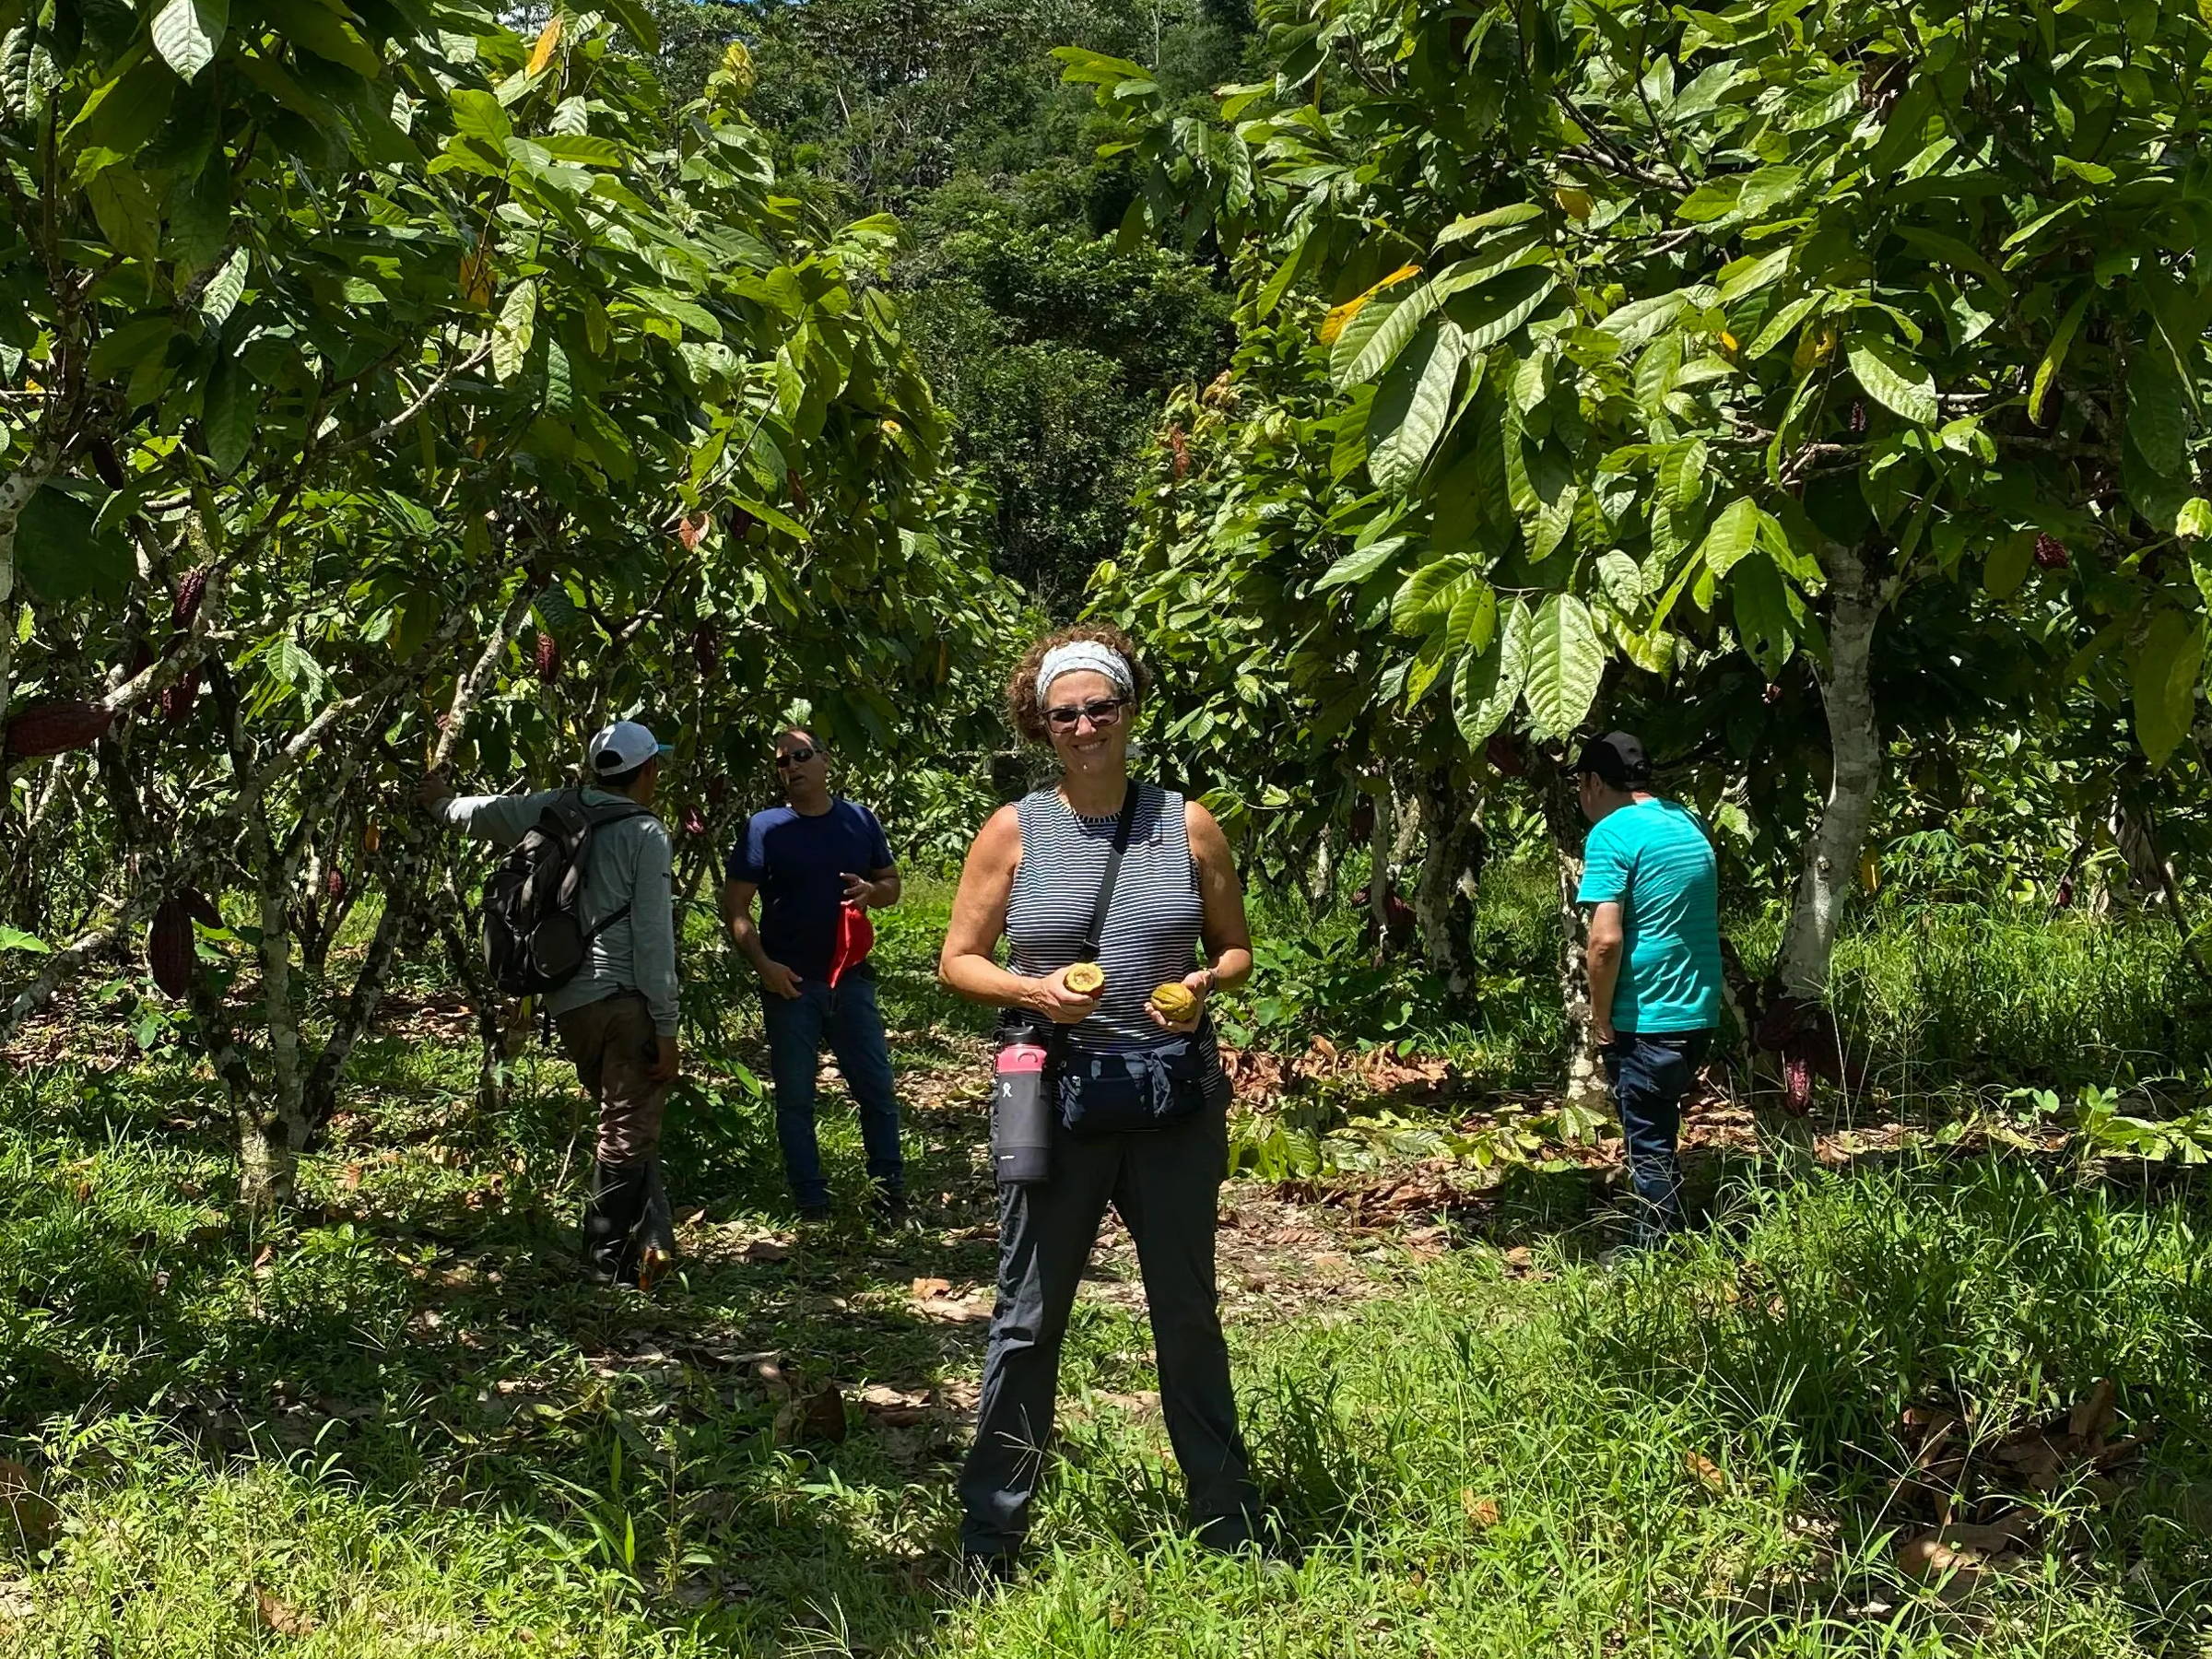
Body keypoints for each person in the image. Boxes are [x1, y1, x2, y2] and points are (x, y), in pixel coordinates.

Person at [938, 623, 1261, 1577]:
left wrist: (1203, 985)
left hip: (1171, 1102)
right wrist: (1034, 993)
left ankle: (1226, 1521)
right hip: (1059, 1100)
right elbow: (956, 960)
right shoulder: (1012, 829)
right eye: (1063, 713)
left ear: (1129, 712)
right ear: (1041, 726)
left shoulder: (1187, 822)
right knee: (1028, 1318)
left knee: (1186, 1311)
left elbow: (1236, 947)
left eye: (1099, 707)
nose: (1084, 725)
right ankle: (993, 1535)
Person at [417, 720, 682, 1285]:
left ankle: (648, 1244)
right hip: (626, 996)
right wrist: (666, 1024)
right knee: (627, 1126)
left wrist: (438, 802)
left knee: (623, 1120)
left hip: (567, 999)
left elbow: (482, 812)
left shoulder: (554, 807)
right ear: (649, 771)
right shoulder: (646, 833)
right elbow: (655, 937)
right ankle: (605, 1262)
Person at [723, 727, 906, 1221]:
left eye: (801, 756)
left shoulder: (859, 820)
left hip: (851, 977)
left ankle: (891, 1197)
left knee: (876, 1090)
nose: (793, 767)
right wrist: (763, 965)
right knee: (797, 1100)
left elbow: (891, 884)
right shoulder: (764, 827)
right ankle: (811, 1203)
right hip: (791, 983)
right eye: (783, 762)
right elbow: (736, 906)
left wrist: (872, 890)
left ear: (825, 760)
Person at [1571, 730, 1723, 1249]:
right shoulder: (1684, 821)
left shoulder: (1612, 833)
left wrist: (1600, 1015)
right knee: (1662, 1123)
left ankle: (1654, 1248)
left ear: (1592, 781)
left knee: (1648, 1141)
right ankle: (1669, 1227)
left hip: (1648, 1011)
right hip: (1699, 1006)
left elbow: (1605, 941)